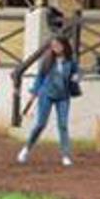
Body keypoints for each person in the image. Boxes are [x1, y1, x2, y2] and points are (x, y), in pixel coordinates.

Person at [17, 36, 79, 167]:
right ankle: (26, 149)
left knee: (63, 125)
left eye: (57, 45)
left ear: (64, 46)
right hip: (46, 94)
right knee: (40, 124)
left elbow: (76, 73)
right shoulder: (47, 60)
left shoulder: (71, 61)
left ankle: (66, 155)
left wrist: (76, 78)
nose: (55, 48)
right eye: (53, 45)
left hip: (63, 96)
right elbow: (40, 77)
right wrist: (34, 93)